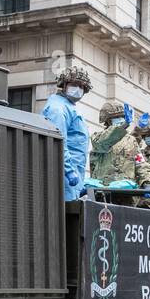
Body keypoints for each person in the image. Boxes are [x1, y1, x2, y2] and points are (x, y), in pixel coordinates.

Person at [42, 65, 92, 202]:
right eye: (75, 85)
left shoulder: (69, 107)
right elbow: (57, 142)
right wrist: (69, 171)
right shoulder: (58, 109)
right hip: (63, 176)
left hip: (72, 178)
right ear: (64, 85)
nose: (78, 90)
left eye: (82, 87)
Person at [88, 100, 150, 193]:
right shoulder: (97, 137)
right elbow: (105, 141)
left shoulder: (131, 140)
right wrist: (124, 125)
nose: (121, 119)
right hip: (104, 191)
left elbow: (140, 162)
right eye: (117, 117)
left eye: (123, 117)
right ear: (108, 120)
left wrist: (147, 182)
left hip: (127, 192)